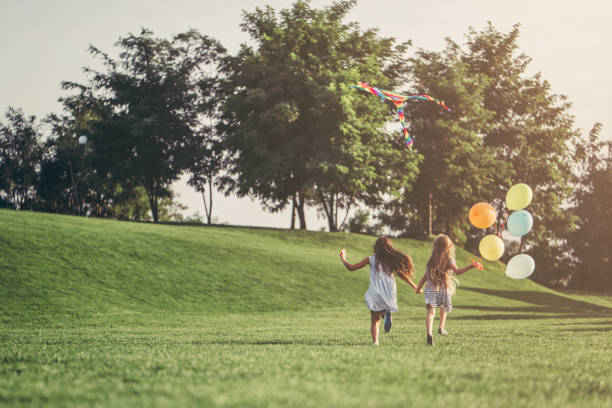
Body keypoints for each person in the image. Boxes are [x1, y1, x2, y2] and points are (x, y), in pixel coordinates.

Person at [339, 236, 418, 346]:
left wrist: (343, 258)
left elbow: (351, 268)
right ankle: (386, 313)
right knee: (383, 308)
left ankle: (376, 341)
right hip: (389, 290)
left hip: (375, 291)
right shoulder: (391, 260)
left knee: (375, 320)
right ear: (389, 248)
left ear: (376, 248)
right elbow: (402, 275)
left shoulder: (370, 259)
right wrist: (414, 286)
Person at [415, 234, 481, 346]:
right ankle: (441, 327)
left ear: (435, 246)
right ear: (449, 247)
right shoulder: (449, 259)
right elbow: (458, 271)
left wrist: (418, 288)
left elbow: (425, 277)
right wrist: (471, 266)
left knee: (430, 312)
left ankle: (429, 334)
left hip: (431, 289)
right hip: (443, 289)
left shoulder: (431, 260)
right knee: (444, 307)